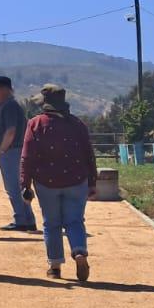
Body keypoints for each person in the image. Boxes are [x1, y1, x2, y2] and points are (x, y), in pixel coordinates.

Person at [20, 84, 97, 281]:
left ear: (45, 103)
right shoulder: (78, 124)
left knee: (51, 223)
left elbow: (27, 157)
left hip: (46, 183)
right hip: (76, 180)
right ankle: (79, 252)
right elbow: (89, 154)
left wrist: (25, 184)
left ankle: (54, 266)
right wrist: (92, 182)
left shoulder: (35, 124)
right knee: (75, 220)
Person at [0, 76, 38, 232]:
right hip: (16, 150)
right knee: (20, 187)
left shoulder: (9, 106)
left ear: (5, 89)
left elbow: (11, 131)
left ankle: (21, 220)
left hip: (12, 151)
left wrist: (2, 149)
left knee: (13, 188)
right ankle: (28, 219)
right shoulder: (10, 105)